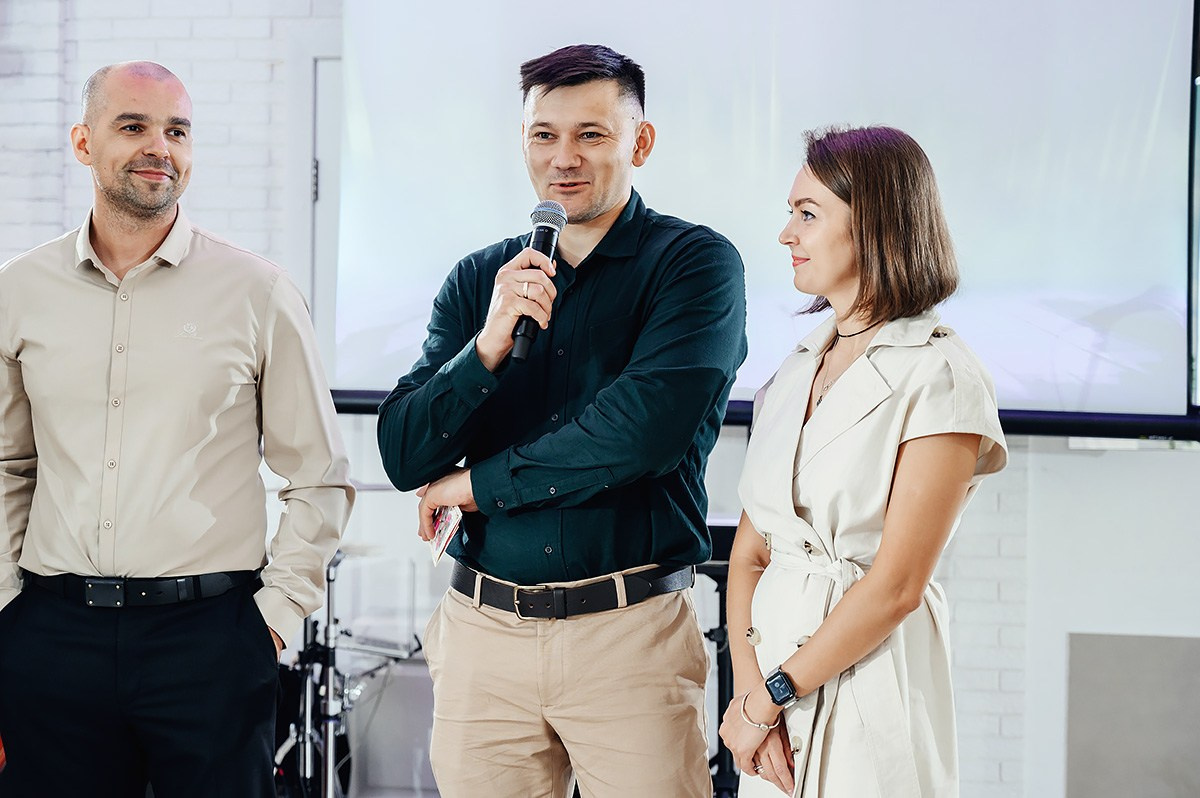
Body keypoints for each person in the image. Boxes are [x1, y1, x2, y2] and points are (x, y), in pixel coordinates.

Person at [377, 44, 747, 798]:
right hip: (484, 634)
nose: (563, 158)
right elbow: (405, 453)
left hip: (629, 631)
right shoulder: (481, 277)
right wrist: (484, 348)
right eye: (543, 135)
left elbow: (639, 432)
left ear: (639, 143)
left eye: (591, 134)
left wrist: (477, 486)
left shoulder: (694, 265)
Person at [0, 61, 354, 798]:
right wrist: (10, 605)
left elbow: (318, 476)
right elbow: (6, 464)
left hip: (211, 643)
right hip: (52, 636)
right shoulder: (19, 292)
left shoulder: (259, 293)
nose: (160, 146)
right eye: (134, 126)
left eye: (178, 131)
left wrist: (273, 622)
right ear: (83, 142)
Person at [718, 126, 1007, 797]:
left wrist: (770, 698)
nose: (786, 234)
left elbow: (897, 585)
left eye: (807, 214)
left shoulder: (941, 376)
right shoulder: (789, 376)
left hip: (872, 685)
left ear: (875, 224)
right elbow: (750, 554)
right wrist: (747, 695)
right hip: (769, 709)